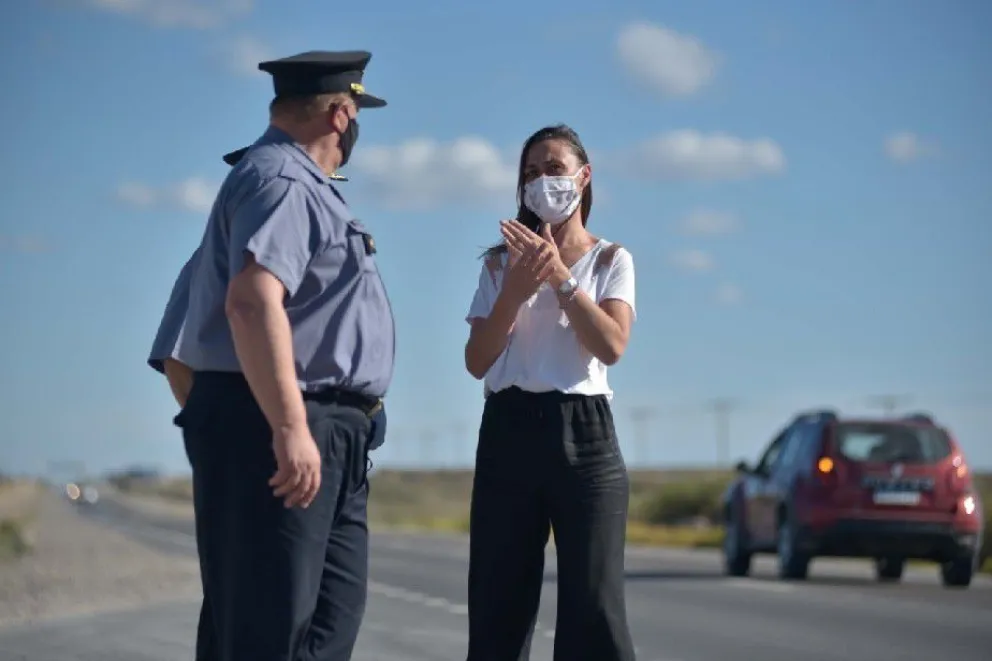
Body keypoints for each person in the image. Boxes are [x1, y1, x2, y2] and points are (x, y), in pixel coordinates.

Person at [171, 50, 393, 661]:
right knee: (271, 629)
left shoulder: (300, 187)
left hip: (321, 430)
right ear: (343, 115)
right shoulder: (285, 181)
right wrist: (282, 425)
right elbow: (249, 304)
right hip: (286, 425)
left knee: (322, 626)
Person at [463, 124, 637, 661]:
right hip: (509, 430)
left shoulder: (611, 260)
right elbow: (476, 361)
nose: (541, 182)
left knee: (594, 605)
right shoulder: (499, 263)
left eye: (554, 169)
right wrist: (514, 291)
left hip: (583, 434)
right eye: (530, 174)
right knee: (499, 602)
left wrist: (562, 278)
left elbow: (610, 346)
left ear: (583, 178)